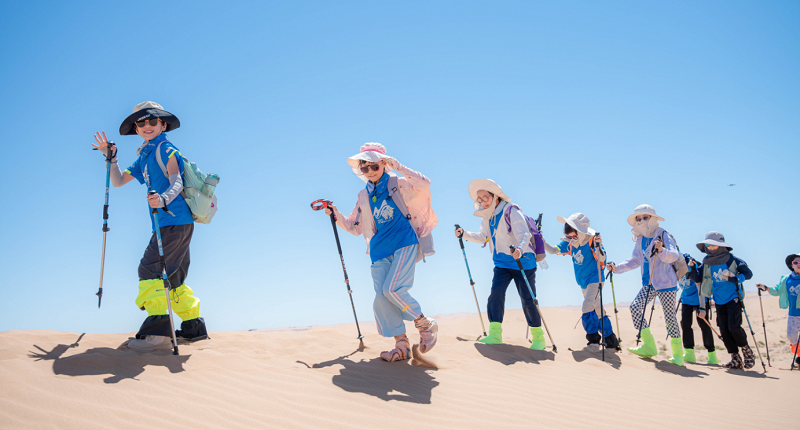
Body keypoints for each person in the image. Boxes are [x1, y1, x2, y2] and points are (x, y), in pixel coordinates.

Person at [92, 101, 208, 352]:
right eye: (141, 122)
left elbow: (176, 180)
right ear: (136, 127)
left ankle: (158, 336)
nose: (147, 126)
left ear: (162, 124)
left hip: (173, 220)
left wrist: (164, 198)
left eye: (152, 121)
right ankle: (193, 329)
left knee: (149, 271)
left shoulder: (165, 148)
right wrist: (111, 158)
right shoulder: (144, 155)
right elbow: (119, 180)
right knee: (174, 276)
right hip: (171, 223)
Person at [324, 142, 438, 362]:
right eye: (363, 168)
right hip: (378, 251)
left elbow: (425, 184)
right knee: (381, 299)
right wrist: (335, 213)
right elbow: (354, 226)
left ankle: (426, 324)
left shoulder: (398, 182)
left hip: (404, 242)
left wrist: (400, 167)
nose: (368, 172)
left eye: (373, 166)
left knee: (393, 289)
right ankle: (402, 346)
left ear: (384, 164)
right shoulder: (363, 195)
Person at [454, 179, 547, 350]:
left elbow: (524, 234)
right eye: (479, 199)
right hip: (502, 263)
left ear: (495, 196)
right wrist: (464, 234)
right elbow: (483, 237)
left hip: (523, 262)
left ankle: (538, 338)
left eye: (485, 197)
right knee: (495, 295)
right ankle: (495, 335)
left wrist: (519, 249)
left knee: (528, 299)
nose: (482, 201)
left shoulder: (511, 210)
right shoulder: (487, 216)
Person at [606, 204, 685, 366]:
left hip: (666, 284)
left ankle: (678, 355)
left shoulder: (663, 234)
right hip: (648, 284)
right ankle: (649, 346)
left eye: (644, 217)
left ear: (652, 218)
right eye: (638, 218)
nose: (641, 220)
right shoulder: (641, 239)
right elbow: (635, 260)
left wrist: (661, 250)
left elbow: (674, 255)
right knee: (635, 308)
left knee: (670, 317)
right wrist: (617, 268)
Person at [542, 213, 619, 350]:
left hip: (596, 280)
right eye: (568, 237)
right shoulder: (570, 243)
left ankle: (594, 342)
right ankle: (611, 341)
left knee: (587, 307)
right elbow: (553, 250)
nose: (571, 239)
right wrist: (540, 240)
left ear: (581, 233)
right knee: (598, 310)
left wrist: (598, 246)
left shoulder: (591, 241)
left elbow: (602, 259)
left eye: (574, 236)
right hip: (583, 282)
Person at [688, 232, 754, 369]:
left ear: (721, 246)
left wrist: (735, 278)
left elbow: (748, 274)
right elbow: (697, 278)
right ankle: (735, 359)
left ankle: (747, 352)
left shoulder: (732, 260)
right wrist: (693, 268)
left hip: (733, 297)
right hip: (718, 300)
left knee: (733, 326)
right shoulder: (706, 262)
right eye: (708, 245)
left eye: (714, 245)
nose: (711, 247)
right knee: (724, 329)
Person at [756, 252, 800, 369]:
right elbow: (776, 291)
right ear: (792, 265)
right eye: (796, 262)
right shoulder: (786, 279)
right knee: (791, 336)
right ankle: (799, 355)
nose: (798, 264)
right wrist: (765, 288)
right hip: (793, 314)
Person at [681, 253, 718, 364]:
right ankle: (689, 353)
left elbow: (700, 287)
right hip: (686, 300)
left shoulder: (693, 267)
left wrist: (702, 308)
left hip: (700, 299)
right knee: (685, 324)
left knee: (704, 325)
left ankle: (712, 355)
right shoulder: (675, 269)